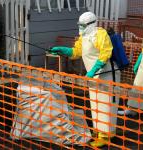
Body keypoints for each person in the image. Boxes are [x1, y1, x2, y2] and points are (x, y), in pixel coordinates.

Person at [50, 11, 120, 147]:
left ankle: (106, 135)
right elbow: (77, 52)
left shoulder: (100, 34)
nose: (80, 27)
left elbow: (106, 53)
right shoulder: (84, 36)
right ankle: (98, 131)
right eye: (79, 25)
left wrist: (93, 70)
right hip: (94, 77)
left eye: (83, 25)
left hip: (107, 75)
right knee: (95, 104)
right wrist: (63, 50)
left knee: (106, 105)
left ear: (91, 24)